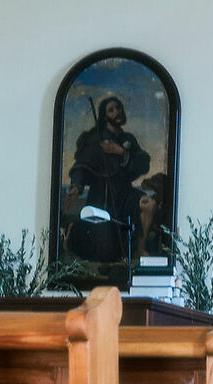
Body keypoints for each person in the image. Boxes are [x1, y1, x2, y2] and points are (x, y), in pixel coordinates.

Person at [64, 94, 151, 277]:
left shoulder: (128, 139)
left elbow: (143, 164)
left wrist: (121, 152)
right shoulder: (95, 139)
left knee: (148, 204)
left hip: (125, 191)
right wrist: (76, 186)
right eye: (111, 110)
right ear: (105, 116)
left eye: (118, 107)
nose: (117, 112)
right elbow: (83, 165)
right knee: (104, 250)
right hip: (101, 194)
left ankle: (140, 249)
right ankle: (74, 231)